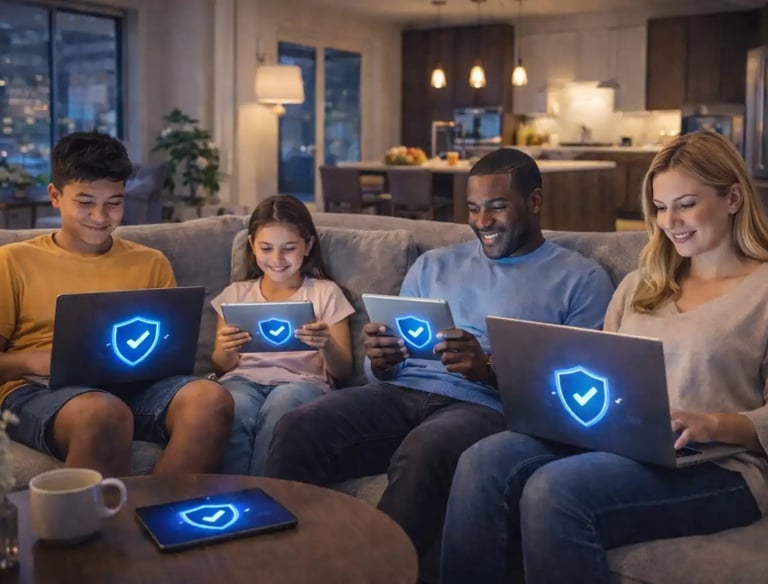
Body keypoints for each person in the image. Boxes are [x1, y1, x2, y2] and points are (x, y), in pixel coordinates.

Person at [440, 130, 768, 584]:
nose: (670, 221)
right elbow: (603, 369)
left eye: (686, 203)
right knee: (483, 459)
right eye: (659, 206)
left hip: (720, 465)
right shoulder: (641, 284)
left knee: (553, 492)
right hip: (619, 441)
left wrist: (712, 423)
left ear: (732, 198)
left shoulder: (762, 292)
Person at [264, 148, 615, 561]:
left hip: (484, 407)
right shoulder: (433, 265)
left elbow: (577, 394)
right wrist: (379, 361)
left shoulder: (580, 278)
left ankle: (373, 572)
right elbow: (379, 372)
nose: (482, 222)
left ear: (534, 202)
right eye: (473, 208)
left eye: (497, 207)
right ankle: (280, 565)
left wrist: (488, 371)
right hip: (402, 390)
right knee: (299, 426)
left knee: (425, 450)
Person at [0, 131, 233, 477]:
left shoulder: (151, 263)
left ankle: (153, 518)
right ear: (55, 196)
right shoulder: (12, 261)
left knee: (210, 399)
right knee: (104, 412)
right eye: (85, 202)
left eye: (114, 202)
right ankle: (99, 529)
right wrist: (38, 360)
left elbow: (170, 354)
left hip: (135, 386)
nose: (100, 215)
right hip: (39, 392)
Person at [210, 194, 354, 475]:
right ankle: (232, 496)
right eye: (266, 248)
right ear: (252, 246)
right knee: (234, 406)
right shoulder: (235, 295)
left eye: (289, 248)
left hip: (301, 383)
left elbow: (344, 370)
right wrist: (227, 348)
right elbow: (220, 366)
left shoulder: (325, 292)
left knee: (282, 406)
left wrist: (326, 345)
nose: (277, 259)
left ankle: (267, 495)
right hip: (243, 381)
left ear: (308, 245)